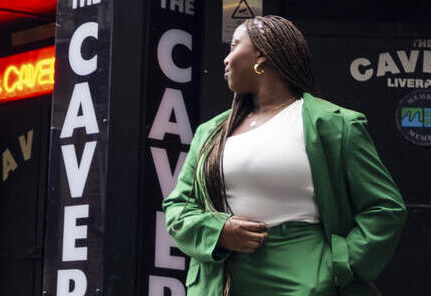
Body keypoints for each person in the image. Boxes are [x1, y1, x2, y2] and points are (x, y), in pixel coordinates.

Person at [164, 15, 405, 296]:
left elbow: (385, 208)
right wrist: (220, 231)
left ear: (262, 56)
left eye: (234, 46)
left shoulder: (335, 125)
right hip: (222, 279)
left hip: (307, 274)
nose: (226, 60)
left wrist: (339, 266)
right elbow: (177, 207)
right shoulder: (211, 133)